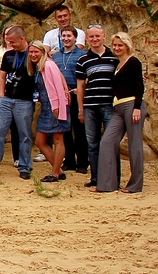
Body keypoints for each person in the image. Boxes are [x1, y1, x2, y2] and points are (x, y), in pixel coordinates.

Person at [0, 26, 35, 180]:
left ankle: (24, 166)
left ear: (22, 39)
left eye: (13, 42)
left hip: (25, 100)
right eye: (8, 42)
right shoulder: (8, 55)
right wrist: (2, 95)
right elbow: (1, 76)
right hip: (7, 99)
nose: (11, 45)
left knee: (24, 134)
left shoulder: (32, 55)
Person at [97, 33, 146, 194]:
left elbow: (139, 85)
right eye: (115, 45)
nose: (117, 48)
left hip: (132, 105)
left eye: (120, 45)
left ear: (127, 46)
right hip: (118, 107)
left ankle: (135, 185)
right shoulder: (118, 64)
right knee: (107, 141)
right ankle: (107, 184)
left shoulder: (133, 62)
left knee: (134, 145)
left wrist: (137, 108)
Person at [75, 25, 120, 189]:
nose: (94, 39)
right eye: (91, 37)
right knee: (92, 144)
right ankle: (95, 177)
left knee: (111, 143)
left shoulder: (114, 57)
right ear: (87, 38)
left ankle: (114, 178)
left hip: (110, 106)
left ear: (104, 36)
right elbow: (80, 87)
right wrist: (81, 109)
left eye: (97, 36)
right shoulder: (83, 60)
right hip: (90, 106)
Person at [28, 40, 69, 182]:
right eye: (31, 52)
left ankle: (55, 173)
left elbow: (57, 85)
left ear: (42, 52)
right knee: (40, 141)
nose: (33, 54)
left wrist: (58, 107)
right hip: (46, 107)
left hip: (55, 106)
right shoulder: (38, 67)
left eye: (36, 52)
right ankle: (59, 170)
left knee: (58, 139)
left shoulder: (49, 65)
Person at [53, 26, 88, 174]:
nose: (66, 39)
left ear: (75, 38)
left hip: (77, 95)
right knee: (65, 130)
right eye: (64, 36)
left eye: (69, 36)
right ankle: (69, 161)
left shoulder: (83, 55)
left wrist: (79, 90)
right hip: (61, 97)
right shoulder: (55, 56)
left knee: (79, 130)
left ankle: (82, 162)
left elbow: (87, 76)